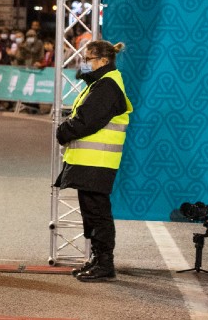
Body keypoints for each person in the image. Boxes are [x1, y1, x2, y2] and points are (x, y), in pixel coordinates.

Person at [55, 40, 132, 282]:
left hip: (97, 161)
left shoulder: (107, 86)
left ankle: (105, 263)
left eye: (88, 59)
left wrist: (63, 131)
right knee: (91, 211)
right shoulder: (100, 82)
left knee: (98, 212)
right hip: (90, 161)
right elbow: (84, 106)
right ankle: (98, 259)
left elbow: (87, 120)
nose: (84, 63)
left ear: (103, 61)